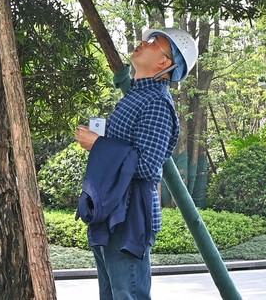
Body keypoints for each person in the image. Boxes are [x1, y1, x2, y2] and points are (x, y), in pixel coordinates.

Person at [74, 27, 198, 300]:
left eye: (154, 42)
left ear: (165, 63)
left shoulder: (156, 103)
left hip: (130, 216)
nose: (143, 42)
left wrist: (99, 144)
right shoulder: (137, 96)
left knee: (128, 295)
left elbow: (147, 166)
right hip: (111, 210)